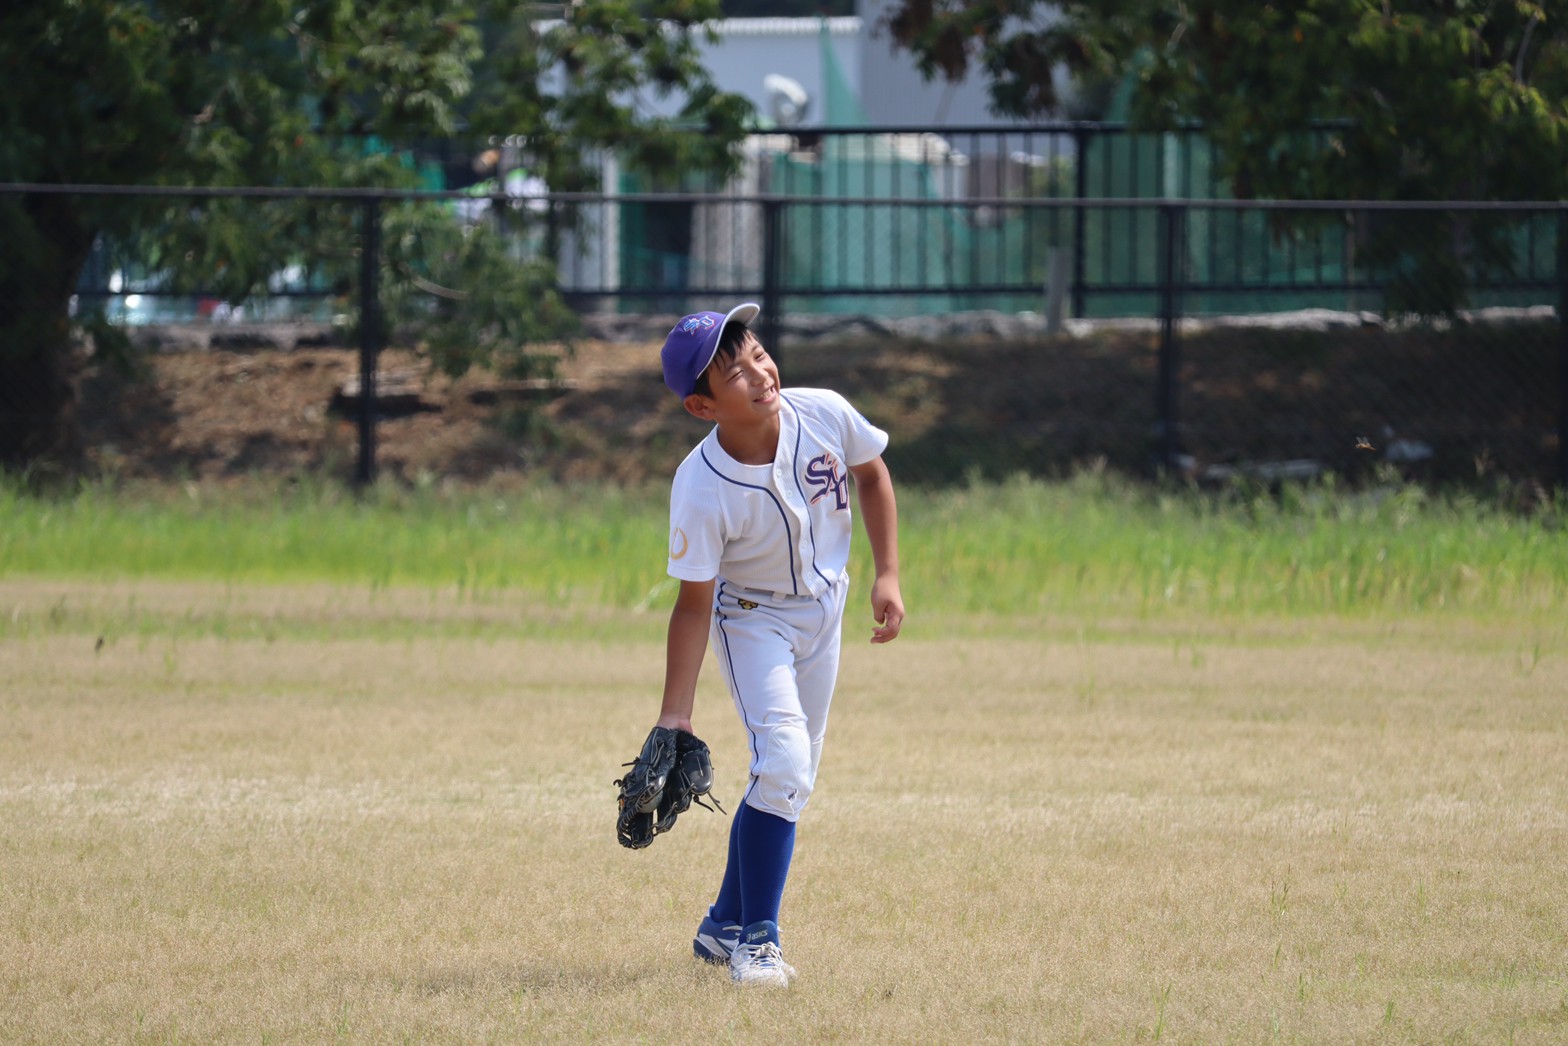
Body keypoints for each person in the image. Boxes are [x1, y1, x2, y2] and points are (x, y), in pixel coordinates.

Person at [654, 302, 905, 988]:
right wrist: (674, 716)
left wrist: (887, 573)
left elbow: (873, 472)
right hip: (752, 619)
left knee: (789, 781)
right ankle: (757, 942)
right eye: (732, 373)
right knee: (786, 763)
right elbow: (692, 603)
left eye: (757, 353)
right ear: (702, 406)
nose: (759, 372)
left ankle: (720, 925)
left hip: (826, 610)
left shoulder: (821, 411)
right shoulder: (700, 486)